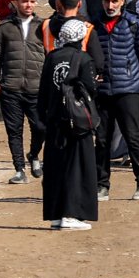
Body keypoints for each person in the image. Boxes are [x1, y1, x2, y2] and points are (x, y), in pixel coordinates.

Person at [88, 0, 139, 201]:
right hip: (103, 91)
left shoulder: (134, 24)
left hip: (129, 89)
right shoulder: (94, 25)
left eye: (115, 1)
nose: (110, 5)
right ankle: (102, 185)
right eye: (107, 1)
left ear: (123, 2)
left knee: (132, 137)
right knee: (102, 139)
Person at [40, 20, 100, 230]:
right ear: (81, 37)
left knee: (56, 167)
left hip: (54, 120)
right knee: (78, 167)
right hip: (76, 123)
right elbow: (90, 90)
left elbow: (44, 90)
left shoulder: (52, 57)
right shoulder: (83, 58)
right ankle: (72, 214)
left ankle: (56, 214)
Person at [0, 0, 47, 185]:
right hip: (10, 88)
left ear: (36, 2)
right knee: (14, 131)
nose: (28, 5)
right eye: (24, 1)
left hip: (37, 88)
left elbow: (51, 57)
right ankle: (19, 169)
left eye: (32, 1)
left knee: (41, 127)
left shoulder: (44, 26)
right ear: (15, 3)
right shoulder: (4, 28)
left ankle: (34, 155)